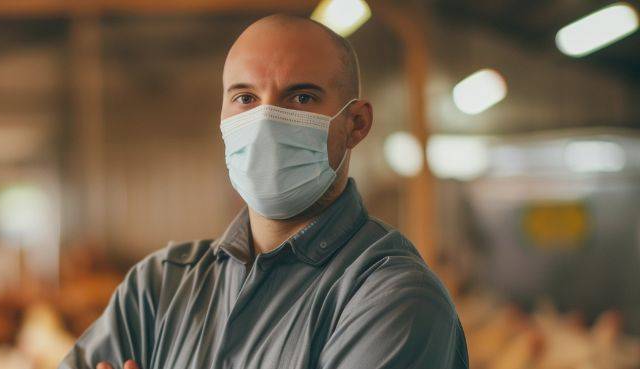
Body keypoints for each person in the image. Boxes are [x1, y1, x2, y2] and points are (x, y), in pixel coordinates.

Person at [59, 14, 469, 369]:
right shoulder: (158, 289)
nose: (266, 121)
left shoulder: (392, 300)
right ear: (221, 116)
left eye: (301, 96)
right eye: (245, 98)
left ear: (356, 124)